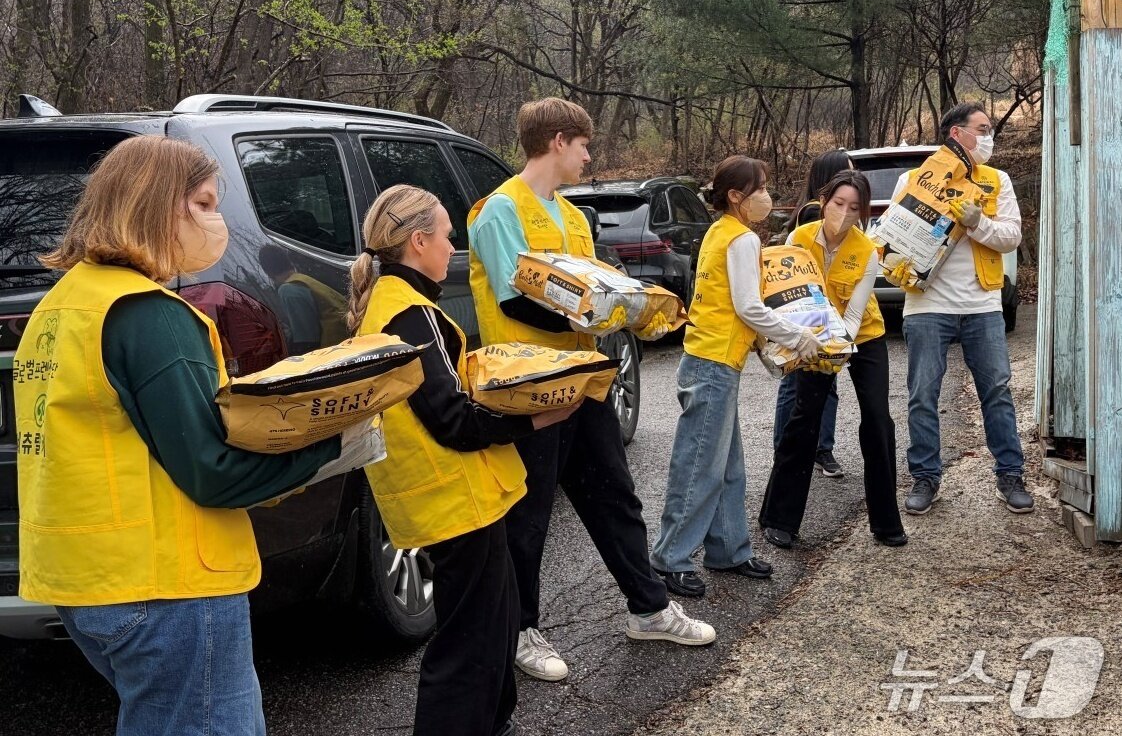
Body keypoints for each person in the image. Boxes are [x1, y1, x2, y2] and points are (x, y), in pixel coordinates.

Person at [12, 135, 347, 736]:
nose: (216, 220)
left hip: (81, 581)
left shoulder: (61, 305)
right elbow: (213, 472)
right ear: (157, 205)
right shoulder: (153, 316)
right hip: (168, 586)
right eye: (205, 202)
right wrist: (335, 441)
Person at [466, 97, 716, 683]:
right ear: (557, 141)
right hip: (530, 389)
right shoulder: (500, 211)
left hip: (585, 381)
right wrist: (610, 316)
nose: (587, 156)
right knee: (527, 517)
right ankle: (519, 629)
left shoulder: (574, 217)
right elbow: (517, 300)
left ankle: (649, 608)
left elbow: (592, 287)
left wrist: (632, 308)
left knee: (614, 497)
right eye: (583, 145)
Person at [349, 185, 577, 736]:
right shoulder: (409, 313)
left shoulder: (391, 304)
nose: (453, 247)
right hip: (454, 498)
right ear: (419, 240)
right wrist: (535, 416)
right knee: (467, 640)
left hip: (453, 496)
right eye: (448, 235)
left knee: (495, 621)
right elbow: (452, 419)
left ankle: (495, 720)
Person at [648, 156, 822, 598]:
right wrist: (797, 336)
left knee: (726, 465)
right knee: (699, 467)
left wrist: (767, 350)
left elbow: (729, 306)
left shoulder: (716, 233)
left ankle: (728, 548)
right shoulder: (741, 238)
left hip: (708, 360)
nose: (766, 195)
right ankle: (670, 559)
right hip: (713, 365)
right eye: (760, 188)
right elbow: (749, 307)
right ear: (735, 197)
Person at [886, 102, 1034, 516]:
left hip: (982, 304)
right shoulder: (913, 180)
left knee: (997, 391)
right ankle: (925, 478)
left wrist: (976, 222)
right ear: (957, 134)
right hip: (926, 303)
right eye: (982, 129)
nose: (989, 137)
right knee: (922, 394)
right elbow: (894, 234)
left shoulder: (996, 181)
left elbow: (1011, 236)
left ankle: (1010, 474)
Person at [758, 170, 908, 549]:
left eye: (854, 208)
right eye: (838, 203)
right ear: (823, 201)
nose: (844, 213)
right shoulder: (799, 238)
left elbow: (856, 314)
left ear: (863, 213)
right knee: (804, 417)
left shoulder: (867, 251)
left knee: (877, 419)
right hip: (811, 337)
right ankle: (779, 519)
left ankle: (887, 523)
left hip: (862, 336)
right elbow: (783, 294)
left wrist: (839, 344)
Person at [775, 148, 855, 477]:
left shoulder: (809, 208)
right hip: (810, 310)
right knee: (803, 381)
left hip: (811, 309)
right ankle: (808, 449)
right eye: (848, 172)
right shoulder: (813, 214)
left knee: (811, 379)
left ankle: (811, 448)